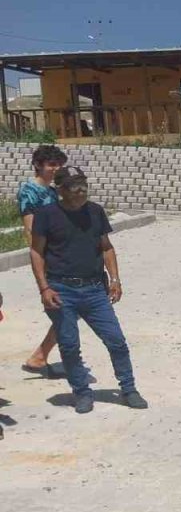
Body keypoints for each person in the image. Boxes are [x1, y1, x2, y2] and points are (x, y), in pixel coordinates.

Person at [29, 167, 147, 414]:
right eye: (74, 185)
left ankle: (129, 388)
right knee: (70, 345)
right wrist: (44, 288)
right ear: (60, 189)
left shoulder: (95, 211)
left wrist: (115, 279)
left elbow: (106, 247)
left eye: (83, 183)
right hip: (61, 290)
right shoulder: (46, 215)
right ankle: (82, 392)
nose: (81, 189)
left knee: (116, 341)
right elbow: (37, 252)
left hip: (95, 290)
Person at [17, 144, 68, 380]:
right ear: (38, 165)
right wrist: (43, 262)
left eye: (58, 164)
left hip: (61, 254)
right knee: (64, 308)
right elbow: (30, 229)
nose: (55, 169)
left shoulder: (52, 191)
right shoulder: (30, 191)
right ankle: (40, 357)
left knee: (68, 308)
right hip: (48, 258)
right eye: (51, 165)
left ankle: (40, 356)